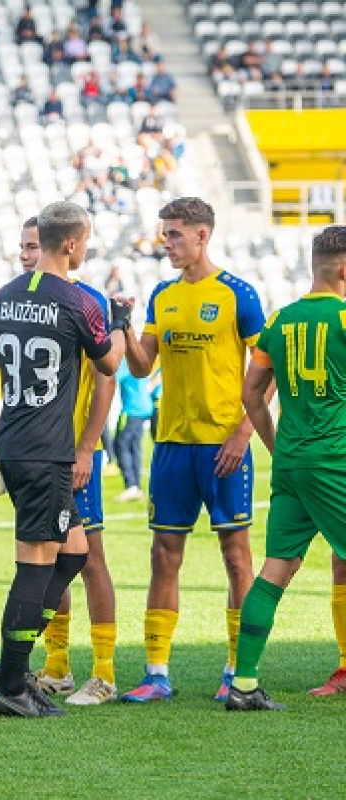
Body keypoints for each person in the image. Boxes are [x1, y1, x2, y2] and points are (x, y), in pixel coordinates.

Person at [0, 215, 121, 705]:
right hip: (46, 452)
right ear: (70, 243)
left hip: (16, 444)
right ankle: (11, 684)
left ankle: (14, 667)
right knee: (36, 563)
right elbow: (109, 365)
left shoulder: (2, 298)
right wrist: (117, 326)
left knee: (76, 551)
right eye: (84, 243)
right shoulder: (80, 301)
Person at [119, 197, 266, 703]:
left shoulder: (238, 295)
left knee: (236, 557)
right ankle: (156, 672)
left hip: (224, 447)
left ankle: (236, 670)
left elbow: (264, 374)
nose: (167, 243)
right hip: (172, 447)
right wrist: (124, 325)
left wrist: (243, 432)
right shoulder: (162, 295)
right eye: (165, 234)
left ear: (202, 235)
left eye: (175, 234)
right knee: (164, 555)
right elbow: (141, 366)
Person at [229, 225, 346, 711]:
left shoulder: (279, 321)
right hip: (335, 462)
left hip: (293, 462)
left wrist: (277, 446)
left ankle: (244, 685)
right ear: (343, 270)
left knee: (276, 569)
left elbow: (252, 393)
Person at [113, 359, 153, 502]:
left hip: (131, 410)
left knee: (121, 445)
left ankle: (131, 486)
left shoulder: (125, 363)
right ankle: (136, 487)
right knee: (135, 447)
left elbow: (109, 375)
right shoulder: (140, 360)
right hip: (144, 407)